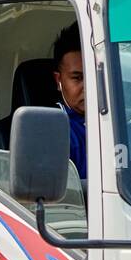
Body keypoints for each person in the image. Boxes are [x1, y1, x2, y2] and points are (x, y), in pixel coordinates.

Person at [52, 23, 87, 180]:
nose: (89, 87)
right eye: (77, 78)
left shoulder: (130, 130)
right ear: (59, 80)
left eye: (95, 76)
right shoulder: (54, 133)